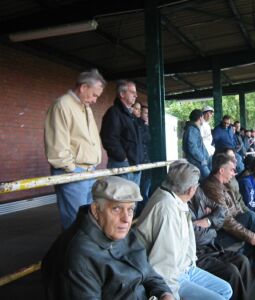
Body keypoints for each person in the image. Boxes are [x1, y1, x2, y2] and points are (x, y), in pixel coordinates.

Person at [42, 176, 174, 300]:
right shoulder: (78, 255)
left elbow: (149, 273)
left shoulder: (121, 231)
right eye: (117, 209)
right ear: (96, 210)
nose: (126, 219)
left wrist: (164, 293)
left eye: (130, 209)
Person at [136, 161, 232, 300]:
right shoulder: (166, 209)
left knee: (225, 290)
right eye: (197, 186)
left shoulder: (174, 197)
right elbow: (163, 268)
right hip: (173, 275)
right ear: (191, 190)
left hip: (186, 268)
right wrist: (171, 295)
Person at [44, 69, 105, 229]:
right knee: (75, 222)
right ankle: (73, 253)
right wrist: (71, 169)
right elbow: (57, 143)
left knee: (89, 220)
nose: (95, 100)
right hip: (73, 172)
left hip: (89, 171)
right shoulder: (62, 105)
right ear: (83, 87)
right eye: (94, 95)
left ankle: (84, 253)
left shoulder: (86, 108)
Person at [202, 153, 255, 272]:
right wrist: (249, 235)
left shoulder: (224, 185)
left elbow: (239, 207)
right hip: (218, 235)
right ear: (221, 170)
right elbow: (225, 220)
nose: (234, 173)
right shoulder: (212, 187)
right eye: (231, 170)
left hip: (232, 224)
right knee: (250, 218)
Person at [190, 187, 253, 300]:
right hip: (196, 254)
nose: (195, 186)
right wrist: (213, 223)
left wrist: (208, 221)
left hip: (211, 246)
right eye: (193, 184)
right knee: (231, 271)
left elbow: (221, 210)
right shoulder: (179, 204)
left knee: (243, 261)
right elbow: (195, 235)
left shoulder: (198, 191)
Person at [100, 80, 143, 185]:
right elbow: (108, 138)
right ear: (122, 94)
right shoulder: (114, 112)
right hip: (123, 165)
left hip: (135, 165)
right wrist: (123, 158)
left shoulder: (131, 115)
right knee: (122, 200)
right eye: (132, 92)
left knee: (132, 200)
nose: (136, 95)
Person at [182, 109, 210, 178]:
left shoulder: (193, 129)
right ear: (200, 118)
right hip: (198, 163)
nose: (203, 119)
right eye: (203, 117)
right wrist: (202, 159)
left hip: (199, 162)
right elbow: (192, 148)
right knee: (210, 181)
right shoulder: (192, 129)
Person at [137, 104, 152, 216]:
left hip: (148, 164)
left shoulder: (146, 127)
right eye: (145, 113)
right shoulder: (138, 126)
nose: (147, 116)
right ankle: (144, 215)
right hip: (141, 164)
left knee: (145, 191)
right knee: (142, 192)